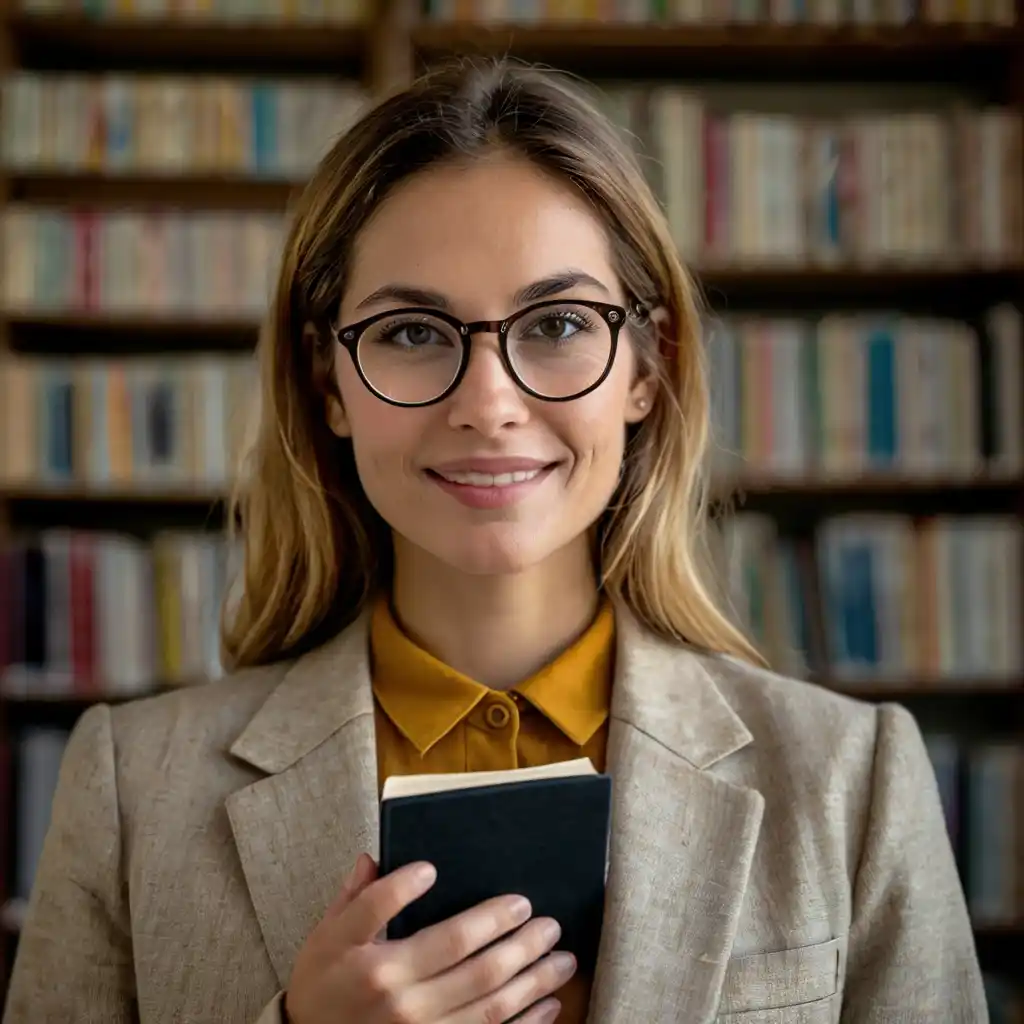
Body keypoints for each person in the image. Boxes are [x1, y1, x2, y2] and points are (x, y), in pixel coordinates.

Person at [3, 59, 986, 1024]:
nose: (488, 405)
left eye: (556, 322)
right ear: (326, 382)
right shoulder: (134, 785)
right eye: (412, 333)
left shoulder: (848, 781)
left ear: (647, 367)